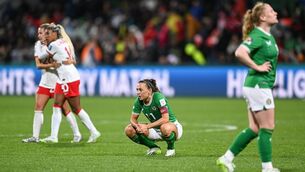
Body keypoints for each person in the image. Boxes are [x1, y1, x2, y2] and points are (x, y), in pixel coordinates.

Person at [216, 2, 280, 172]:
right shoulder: (258, 35)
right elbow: (239, 52)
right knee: (267, 127)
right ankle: (267, 168)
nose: (276, 12)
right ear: (262, 17)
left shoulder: (268, 36)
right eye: (271, 11)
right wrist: (257, 67)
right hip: (258, 85)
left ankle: (226, 158)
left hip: (256, 86)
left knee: (255, 128)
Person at [40, 23, 101, 143]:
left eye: (49, 33)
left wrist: (42, 50)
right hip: (63, 78)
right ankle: (53, 136)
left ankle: (94, 132)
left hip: (68, 78)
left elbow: (42, 57)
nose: (47, 36)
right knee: (57, 106)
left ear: (55, 33)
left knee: (76, 108)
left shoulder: (53, 45)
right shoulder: (63, 41)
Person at [22, 23, 82, 143]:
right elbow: (38, 65)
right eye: (39, 33)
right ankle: (35, 137)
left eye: (43, 33)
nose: (40, 35)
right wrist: (52, 65)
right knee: (38, 107)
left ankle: (77, 133)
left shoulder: (58, 43)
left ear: (48, 33)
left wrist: (66, 62)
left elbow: (72, 60)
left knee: (66, 110)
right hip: (45, 82)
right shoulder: (38, 45)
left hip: (58, 82)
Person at [124, 79, 183, 157]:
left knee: (164, 127)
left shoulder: (158, 97)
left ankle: (171, 149)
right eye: (137, 90)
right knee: (129, 129)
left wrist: (147, 126)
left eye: (141, 90)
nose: (138, 92)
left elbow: (165, 119)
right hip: (155, 130)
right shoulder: (139, 101)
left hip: (172, 128)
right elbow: (133, 119)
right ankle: (154, 147)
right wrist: (137, 126)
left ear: (149, 90)